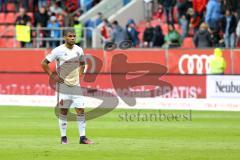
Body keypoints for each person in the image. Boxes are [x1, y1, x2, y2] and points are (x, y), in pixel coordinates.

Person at [41, 29, 93, 145]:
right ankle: (63, 137)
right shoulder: (58, 51)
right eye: (70, 36)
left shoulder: (79, 50)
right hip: (63, 86)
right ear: (65, 37)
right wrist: (52, 75)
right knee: (64, 111)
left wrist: (81, 74)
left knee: (81, 110)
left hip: (76, 86)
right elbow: (44, 63)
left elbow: (83, 63)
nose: (73, 38)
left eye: (74, 36)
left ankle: (82, 137)